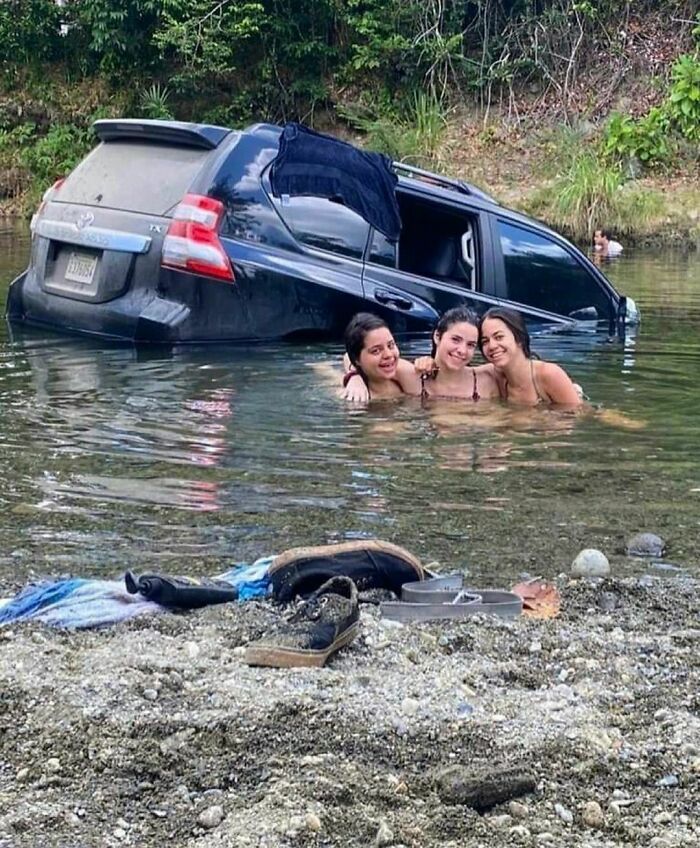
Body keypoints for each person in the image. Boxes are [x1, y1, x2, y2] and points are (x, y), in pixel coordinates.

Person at [343, 307, 499, 403]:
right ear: (437, 336)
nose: (462, 350)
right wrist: (354, 377)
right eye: (455, 340)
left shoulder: (487, 377)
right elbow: (350, 354)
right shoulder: (412, 375)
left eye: (471, 345)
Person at [479, 307, 583, 407]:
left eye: (499, 337)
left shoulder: (549, 374)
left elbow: (578, 415)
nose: (492, 346)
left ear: (519, 338)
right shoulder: (495, 376)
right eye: (485, 341)